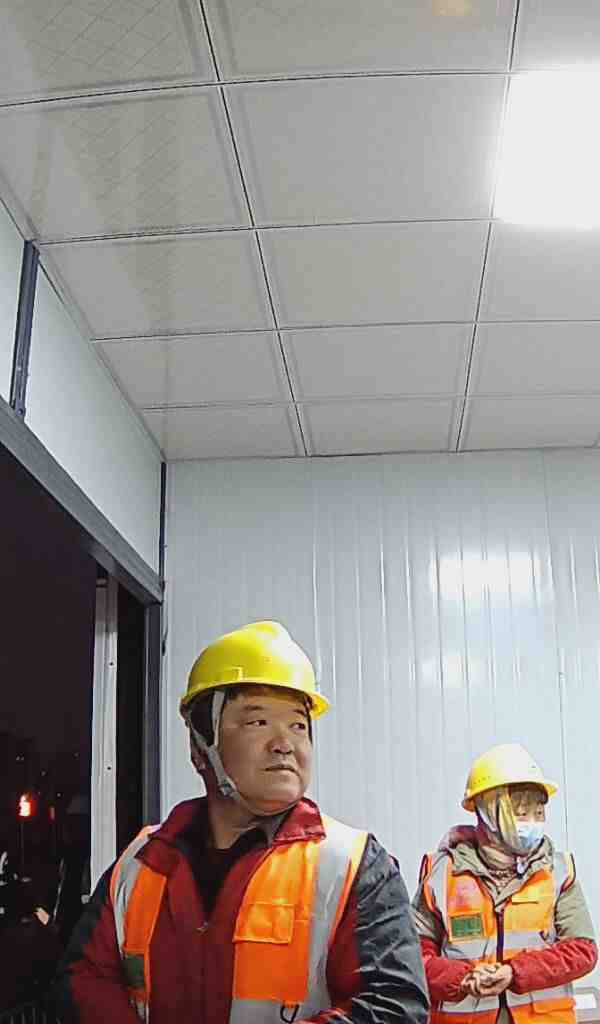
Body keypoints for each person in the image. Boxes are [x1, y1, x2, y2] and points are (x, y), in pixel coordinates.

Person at [55, 620, 429, 1024]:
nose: (285, 744)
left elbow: (395, 1008)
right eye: (257, 722)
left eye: (298, 725)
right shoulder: (142, 862)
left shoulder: (353, 865)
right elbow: (84, 980)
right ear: (201, 744)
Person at [413, 743, 597, 1024]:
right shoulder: (441, 873)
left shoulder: (558, 871)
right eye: (522, 813)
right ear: (487, 811)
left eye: (539, 813)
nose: (533, 823)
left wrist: (515, 972)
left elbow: (582, 950)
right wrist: (462, 979)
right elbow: (413, 955)